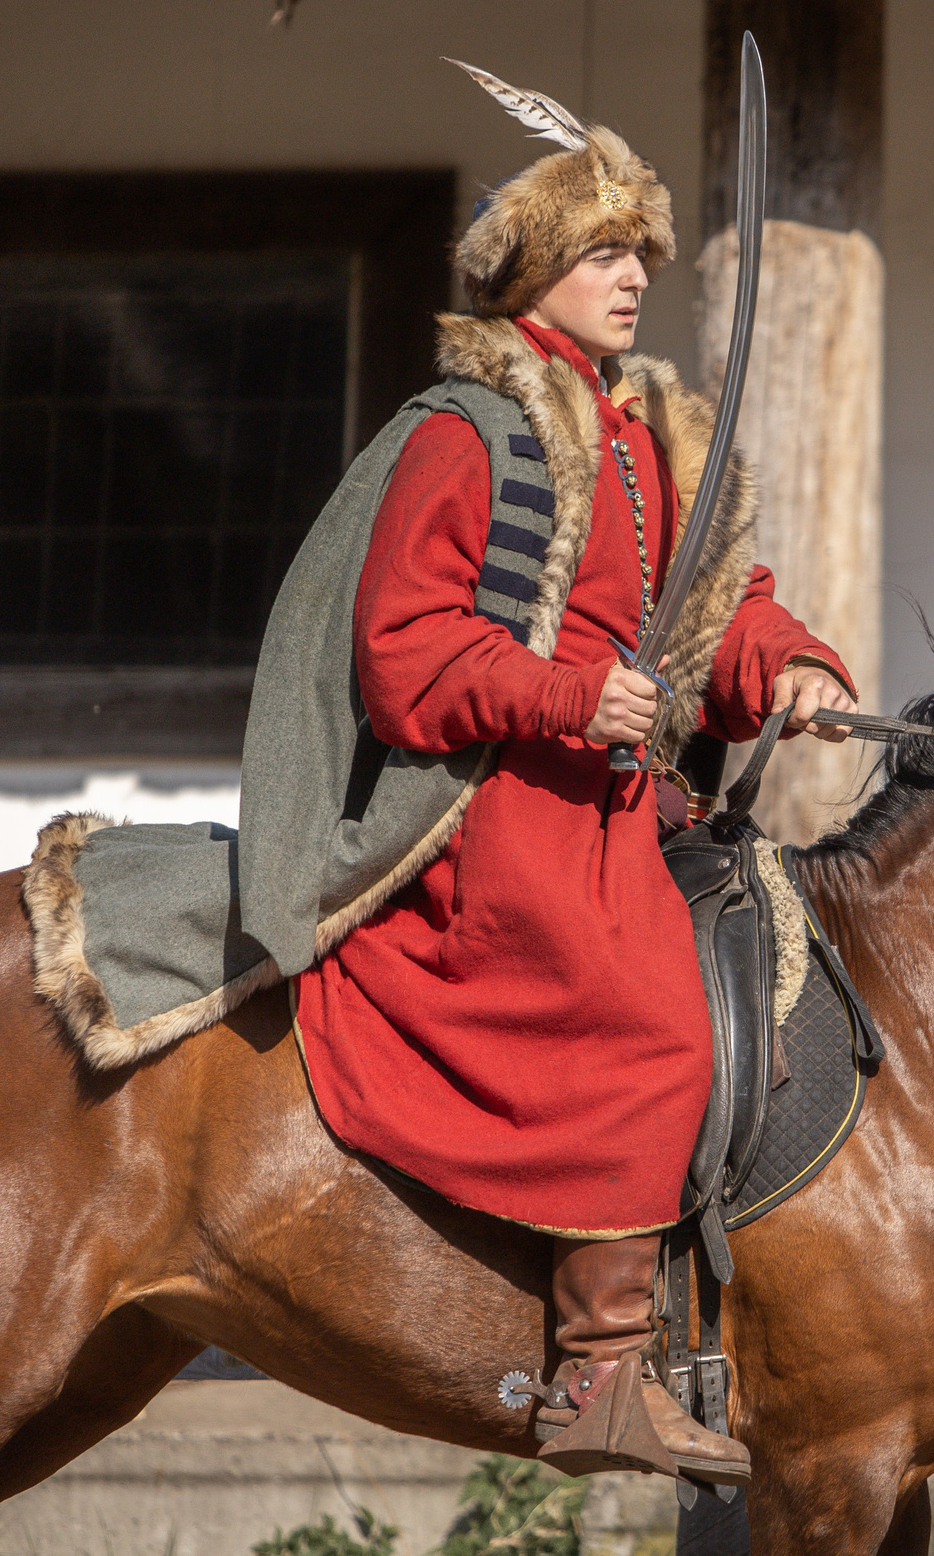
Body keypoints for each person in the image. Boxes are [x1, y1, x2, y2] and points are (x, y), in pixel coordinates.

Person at [292, 75, 855, 1488]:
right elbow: (406, 657)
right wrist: (565, 694)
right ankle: (601, 1375)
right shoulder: (464, 433)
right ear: (532, 272)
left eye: (640, 254)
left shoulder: (655, 431)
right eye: (604, 253)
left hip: (633, 804)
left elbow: (718, 610)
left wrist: (792, 664)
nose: (634, 277)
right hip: (502, 808)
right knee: (648, 1014)